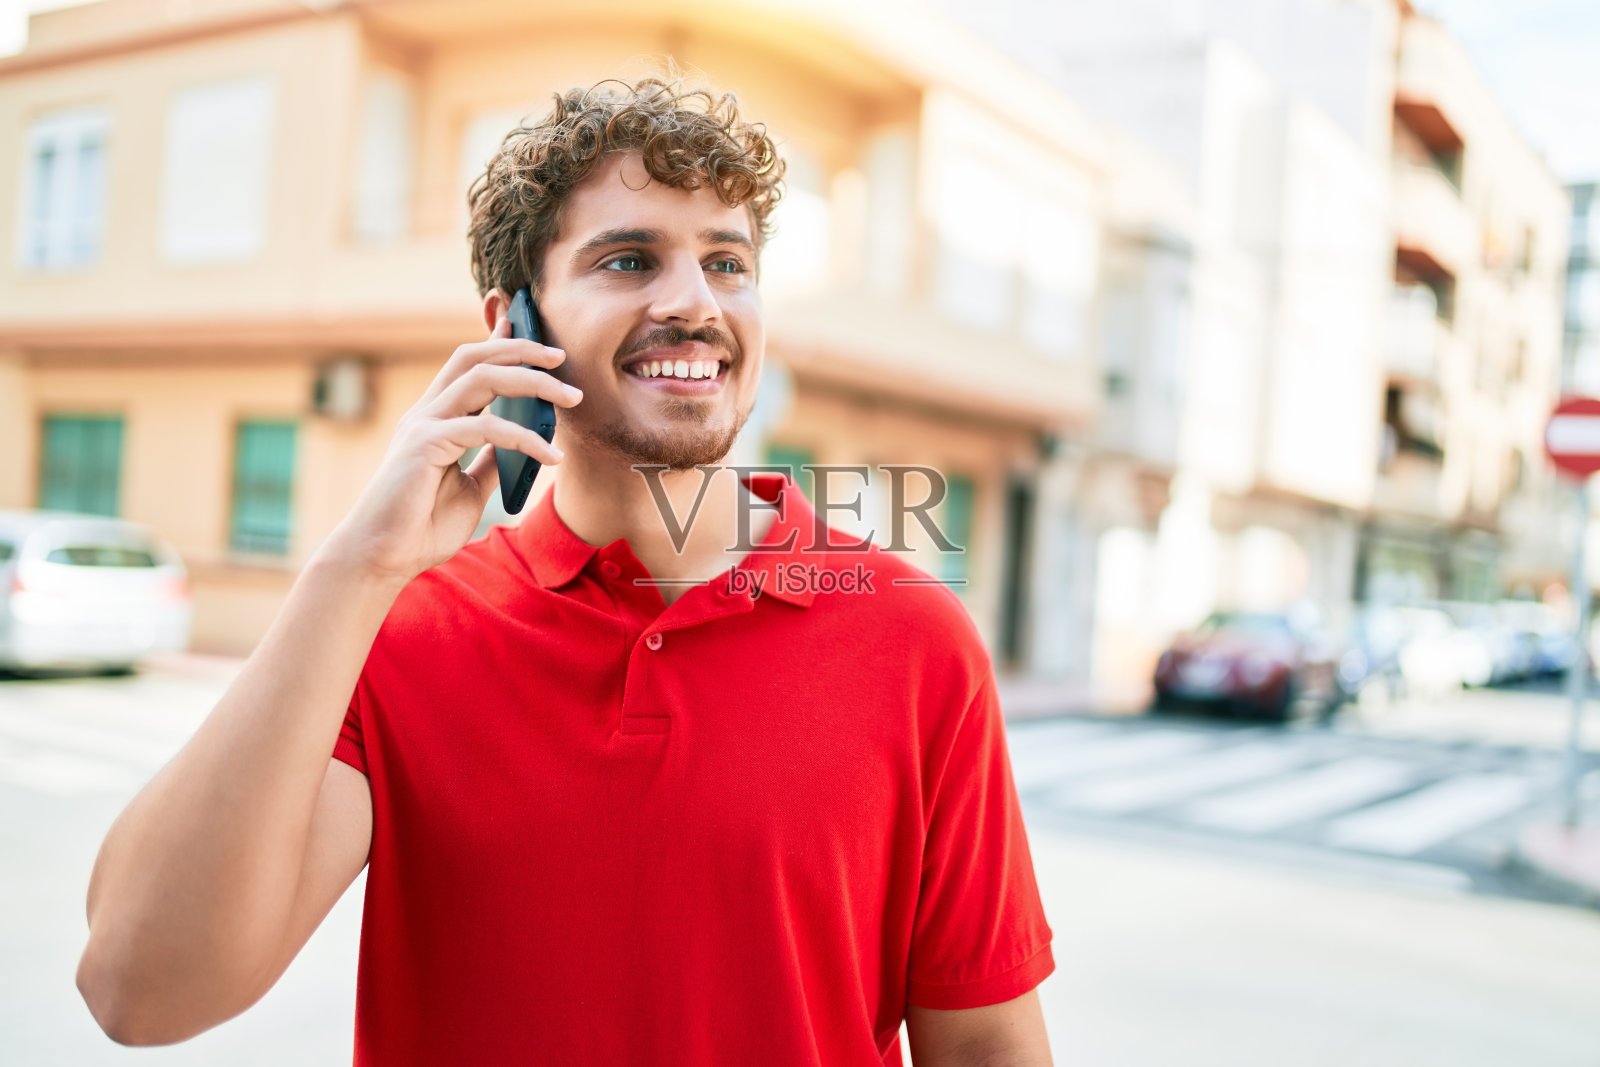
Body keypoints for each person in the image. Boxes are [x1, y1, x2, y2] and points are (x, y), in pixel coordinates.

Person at [76, 73, 1055, 1065]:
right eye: (629, 259)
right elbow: (137, 988)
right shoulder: (397, 629)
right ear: (515, 325)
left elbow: (982, 1043)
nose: (694, 302)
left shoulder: (912, 638)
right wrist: (355, 568)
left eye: (728, 262)